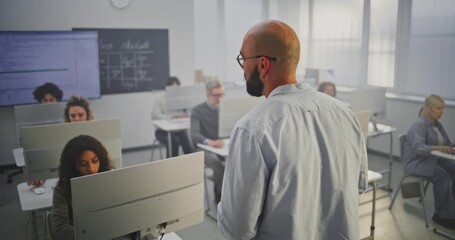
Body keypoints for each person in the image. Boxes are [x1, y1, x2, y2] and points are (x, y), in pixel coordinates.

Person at [217, 20, 368, 239]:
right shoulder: (345, 114)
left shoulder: (253, 130)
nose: (242, 68)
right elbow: (360, 186)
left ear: (262, 66)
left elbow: (236, 229)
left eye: (243, 59)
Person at [403, 94, 455, 229]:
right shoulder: (418, 125)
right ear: (428, 109)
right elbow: (418, 148)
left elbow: (447, 143)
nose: (441, 111)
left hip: (431, 159)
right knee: (442, 177)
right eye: (438, 108)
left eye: (442, 108)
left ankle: (451, 207)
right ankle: (442, 215)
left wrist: (450, 147)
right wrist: (440, 148)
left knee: (453, 168)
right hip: (417, 163)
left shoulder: (437, 125)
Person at [51, 135, 115, 239]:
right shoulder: (62, 190)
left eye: (95, 161)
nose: (91, 168)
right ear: (73, 166)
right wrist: (90, 235)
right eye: (83, 164)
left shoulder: (111, 180)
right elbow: (60, 229)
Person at [190, 79, 225, 203]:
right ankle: (219, 193)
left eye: (220, 95)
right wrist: (210, 142)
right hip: (204, 148)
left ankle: (227, 192)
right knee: (219, 166)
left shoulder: (224, 108)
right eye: (215, 95)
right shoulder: (197, 110)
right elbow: (194, 135)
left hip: (222, 145)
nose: (218, 98)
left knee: (237, 163)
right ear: (207, 95)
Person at [152, 77, 193, 157]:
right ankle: (171, 166)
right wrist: (171, 117)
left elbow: (187, 112)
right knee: (174, 141)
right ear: (167, 88)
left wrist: (185, 114)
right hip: (162, 131)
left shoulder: (180, 99)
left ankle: (192, 164)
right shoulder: (159, 99)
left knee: (188, 140)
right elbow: (155, 115)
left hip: (179, 130)